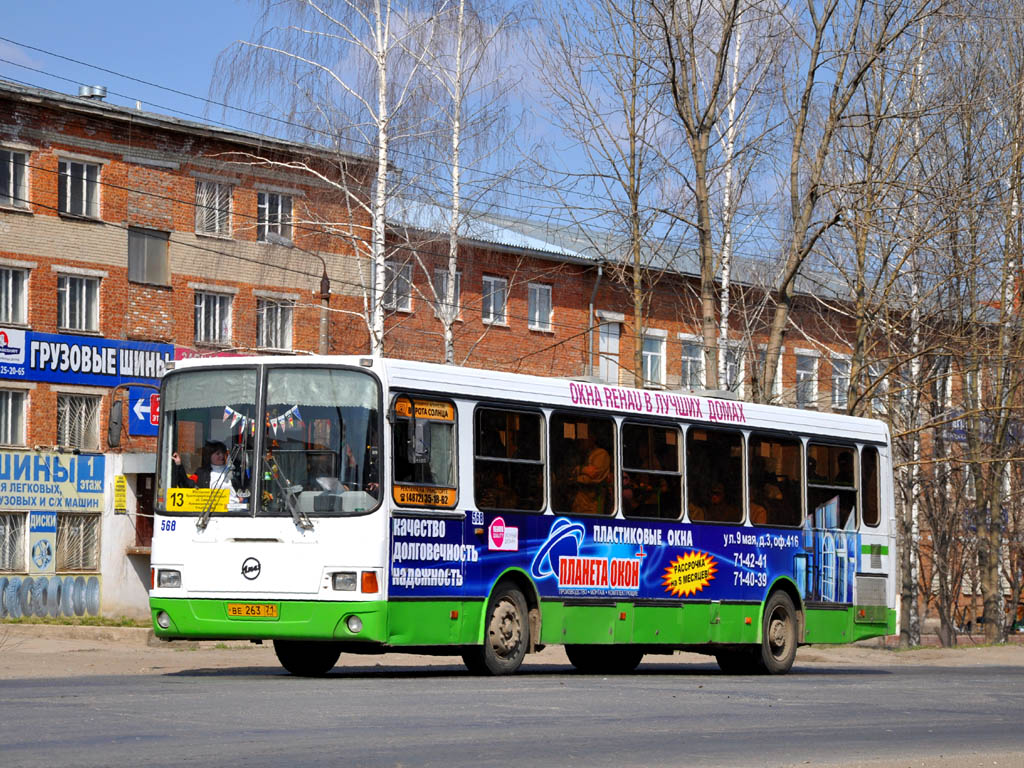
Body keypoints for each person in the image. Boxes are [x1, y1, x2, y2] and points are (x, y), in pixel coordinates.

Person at [172, 440, 242, 502]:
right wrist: (179, 464)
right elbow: (187, 485)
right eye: (217, 453)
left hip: (233, 511)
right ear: (209, 456)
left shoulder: (233, 471)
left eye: (223, 453)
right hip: (211, 512)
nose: (221, 456)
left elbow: (245, 488)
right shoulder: (202, 473)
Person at [572, 435, 611, 515]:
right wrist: (583, 469)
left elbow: (590, 478)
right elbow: (566, 472)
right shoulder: (579, 455)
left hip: (592, 508)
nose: (581, 439)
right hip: (577, 507)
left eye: (585, 436)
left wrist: (575, 475)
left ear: (593, 438)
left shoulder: (601, 454)